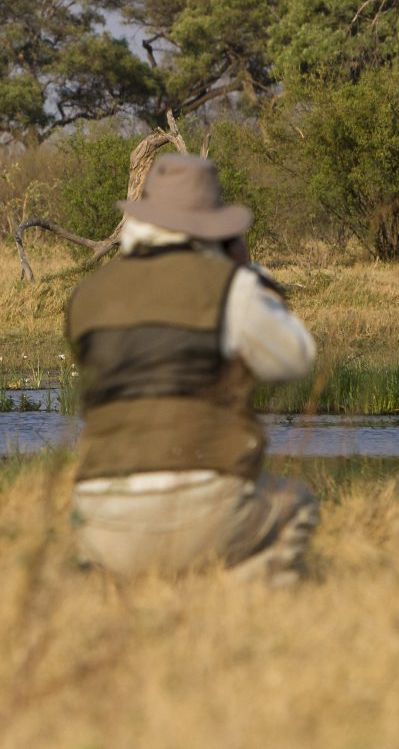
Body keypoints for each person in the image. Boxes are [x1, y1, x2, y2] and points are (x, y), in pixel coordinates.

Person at [66, 154, 319, 585]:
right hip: (206, 503)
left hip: (99, 516)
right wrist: (250, 278)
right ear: (216, 228)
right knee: (298, 503)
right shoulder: (231, 286)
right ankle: (234, 593)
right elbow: (298, 357)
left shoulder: (85, 295)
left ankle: (117, 584)